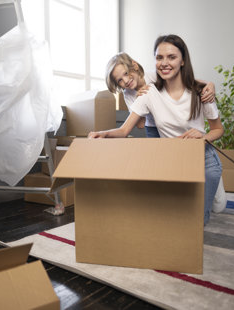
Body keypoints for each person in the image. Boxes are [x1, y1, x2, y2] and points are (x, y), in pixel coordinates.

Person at [89, 34, 224, 225]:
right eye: (159, 58)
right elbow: (127, 129)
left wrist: (210, 86)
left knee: (210, 210)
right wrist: (103, 133)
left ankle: (215, 187)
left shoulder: (194, 90)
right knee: (175, 215)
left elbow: (217, 127)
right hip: (165, 139)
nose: (164, 63)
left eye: (171, 57)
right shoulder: (142, 94)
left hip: (202, 154)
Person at [105, 52, 216, 138]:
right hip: (152, 127)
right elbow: (140, 125)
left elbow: (186, 82)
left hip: (168, 122)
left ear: (134, 66)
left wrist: (210, 84)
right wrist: (139, 101)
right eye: (119, 80)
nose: (125, 80)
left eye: (126, 73)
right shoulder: (128, 94)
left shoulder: (154, 76)